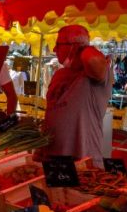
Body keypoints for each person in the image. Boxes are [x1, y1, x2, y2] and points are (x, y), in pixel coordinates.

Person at [41, 25, 113, 164]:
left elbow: (91, 59)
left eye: (58, 44)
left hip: (83, 161)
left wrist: (82, 47)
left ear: (73, 46)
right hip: (53, 159)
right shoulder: (59, 74)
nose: (54, 49)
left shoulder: (97, 73)